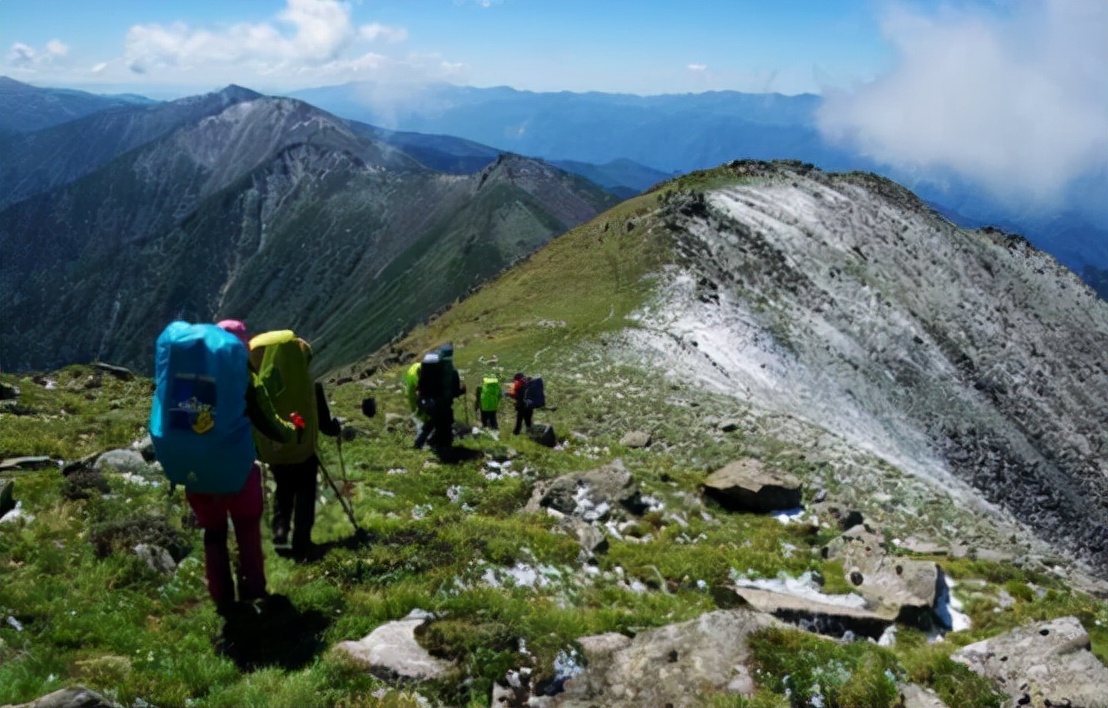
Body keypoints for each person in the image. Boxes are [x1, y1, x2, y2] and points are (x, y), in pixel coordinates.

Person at [188, 320, 296, 615]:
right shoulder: (245, 380)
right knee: (247, 530)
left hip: (199, 473)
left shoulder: (190, 377)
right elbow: (270, 423)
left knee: (214, 533)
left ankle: (222, 596)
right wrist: (293, 430)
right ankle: (254, 591)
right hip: (239, 471)